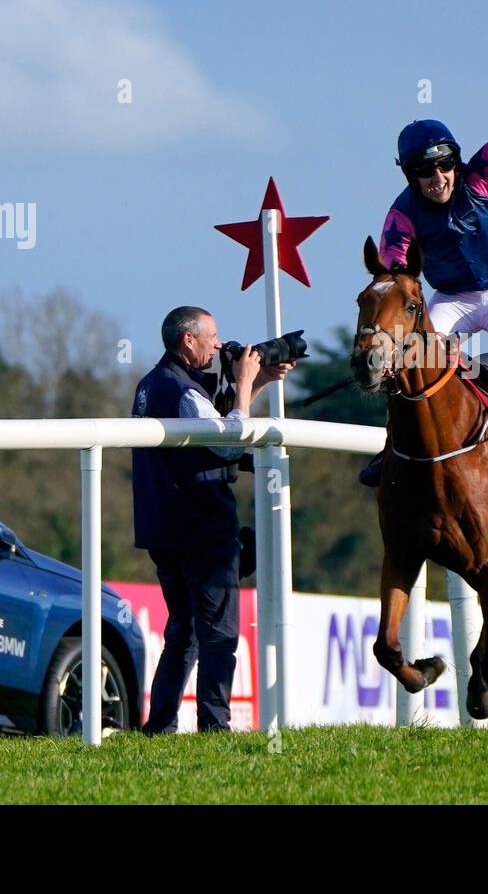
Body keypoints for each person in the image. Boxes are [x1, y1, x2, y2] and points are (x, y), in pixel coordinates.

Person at [361, 41, 488, 496]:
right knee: (411, 359)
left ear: (455, 164)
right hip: (453, 298)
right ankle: (391, 444)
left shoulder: (483, 178)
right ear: (411, 177)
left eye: (444, 169)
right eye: (426, 174)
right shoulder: (402, 215)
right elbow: (394, 271)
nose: (438, 181)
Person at [131, 306, 293, 733]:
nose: (219, 345)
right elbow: (227, 445)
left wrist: (255, 384)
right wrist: (243, 385)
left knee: (183, 634)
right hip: (202, 529)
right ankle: (215, 727)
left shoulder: (154, 384)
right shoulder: (183, 390)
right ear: (189, 340)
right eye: (213, 336)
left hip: (165, 531)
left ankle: (160, 727)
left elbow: (212, 429)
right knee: (219, 635)